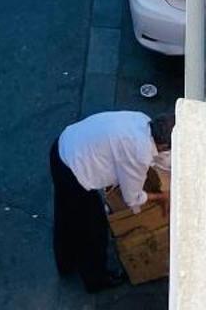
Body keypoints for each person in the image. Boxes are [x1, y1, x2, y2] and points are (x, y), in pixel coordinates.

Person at [50, 109, 160, 293]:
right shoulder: (140, 152)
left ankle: (65, 263)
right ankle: (96, 280)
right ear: (163, 144)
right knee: (93, 231)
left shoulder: (142, 120)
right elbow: (132, 199)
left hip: (63, 146)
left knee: (65, 215)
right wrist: (161, 197)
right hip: (75, 173)